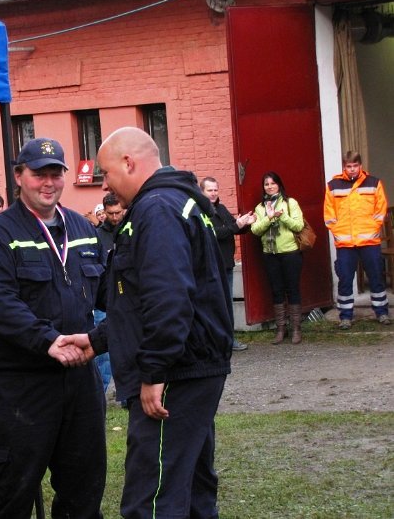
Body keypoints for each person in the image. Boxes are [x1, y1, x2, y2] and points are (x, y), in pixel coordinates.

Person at [82, 127, 233, 518]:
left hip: (176, 375)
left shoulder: (157, 209)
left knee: (151, 497)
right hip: (191, 368)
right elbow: (141, 300)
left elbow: (169, 299)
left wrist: (154, 372)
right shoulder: (175, 203)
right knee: (193, 488)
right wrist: (96, 340)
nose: (105, 185)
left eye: (106, 173)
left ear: (129, 162)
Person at [0, 137, 106, 518]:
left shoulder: (83, 228)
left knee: (84, 490)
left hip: (81, 380)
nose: (48, 183)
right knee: (13, 491)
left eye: (55, 174)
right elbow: (2, 304)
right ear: (19, 176)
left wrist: (105, 337)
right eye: (38, 174)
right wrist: (47, 340)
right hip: (24, 383)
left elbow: (107, 292)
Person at [324, 150, 390, 329]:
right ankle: (345, 316)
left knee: (376, 276)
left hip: (369, 241)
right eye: (349, 166)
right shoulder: (333, 186)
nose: (352, 169)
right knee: (345, 279)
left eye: (355, 166)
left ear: (360, 166)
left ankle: (382, 313)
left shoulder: (374, 183)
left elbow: (380, 210)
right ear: (344, 167)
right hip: (345, 243)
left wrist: (373, 229)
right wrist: (338, 232)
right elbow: (329, 216)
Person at [200, 176, 256, 351]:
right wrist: (235, 225)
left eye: (216, 190)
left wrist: (245, 224)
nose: (213, 193)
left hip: (226, 264)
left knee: (227, 304)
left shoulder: (221, 208)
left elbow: (233, 228)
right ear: (202, 192)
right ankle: (217, 342)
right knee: (216, 305)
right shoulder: (200, 212)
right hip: (212, 265)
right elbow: (214, 233)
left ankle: (228, 340)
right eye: (210, 190)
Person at [250, 172, 305, 344]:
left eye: (273, 183)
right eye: (266, 184)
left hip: (290, 252)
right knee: (276, 290)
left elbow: (299, 226)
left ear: (279, 185)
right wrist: (269, 217)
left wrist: (282, 216)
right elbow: (255, 230)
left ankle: (296, 329)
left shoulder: (290, 203)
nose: (270, 187)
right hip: (270, 254)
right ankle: (281, 329)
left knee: (292, 289)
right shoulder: (260, 208)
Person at [93, 192, 125, 393]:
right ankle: (100, 393)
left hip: (127, 298)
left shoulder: (130, 230)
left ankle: (127, 394)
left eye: (118, 212)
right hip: (104, 300)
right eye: (111, 213)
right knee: (103, 353)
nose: (114, 217)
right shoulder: (97, 235)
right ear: (104, 211)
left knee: (128, 348)